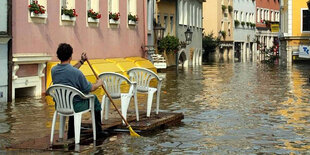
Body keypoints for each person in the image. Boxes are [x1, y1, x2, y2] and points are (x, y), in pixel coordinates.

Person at [51, 43, 103, 139]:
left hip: (60, 105)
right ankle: (99, 132)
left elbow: (68, 70)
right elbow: (89, 88)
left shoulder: (54, 70)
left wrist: (82, 61)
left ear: (58, 56)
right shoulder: (76, 73)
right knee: (94, 99)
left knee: (72, 98)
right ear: (71, 56)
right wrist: (98, 83)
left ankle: (71, 133)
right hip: (75, 106)